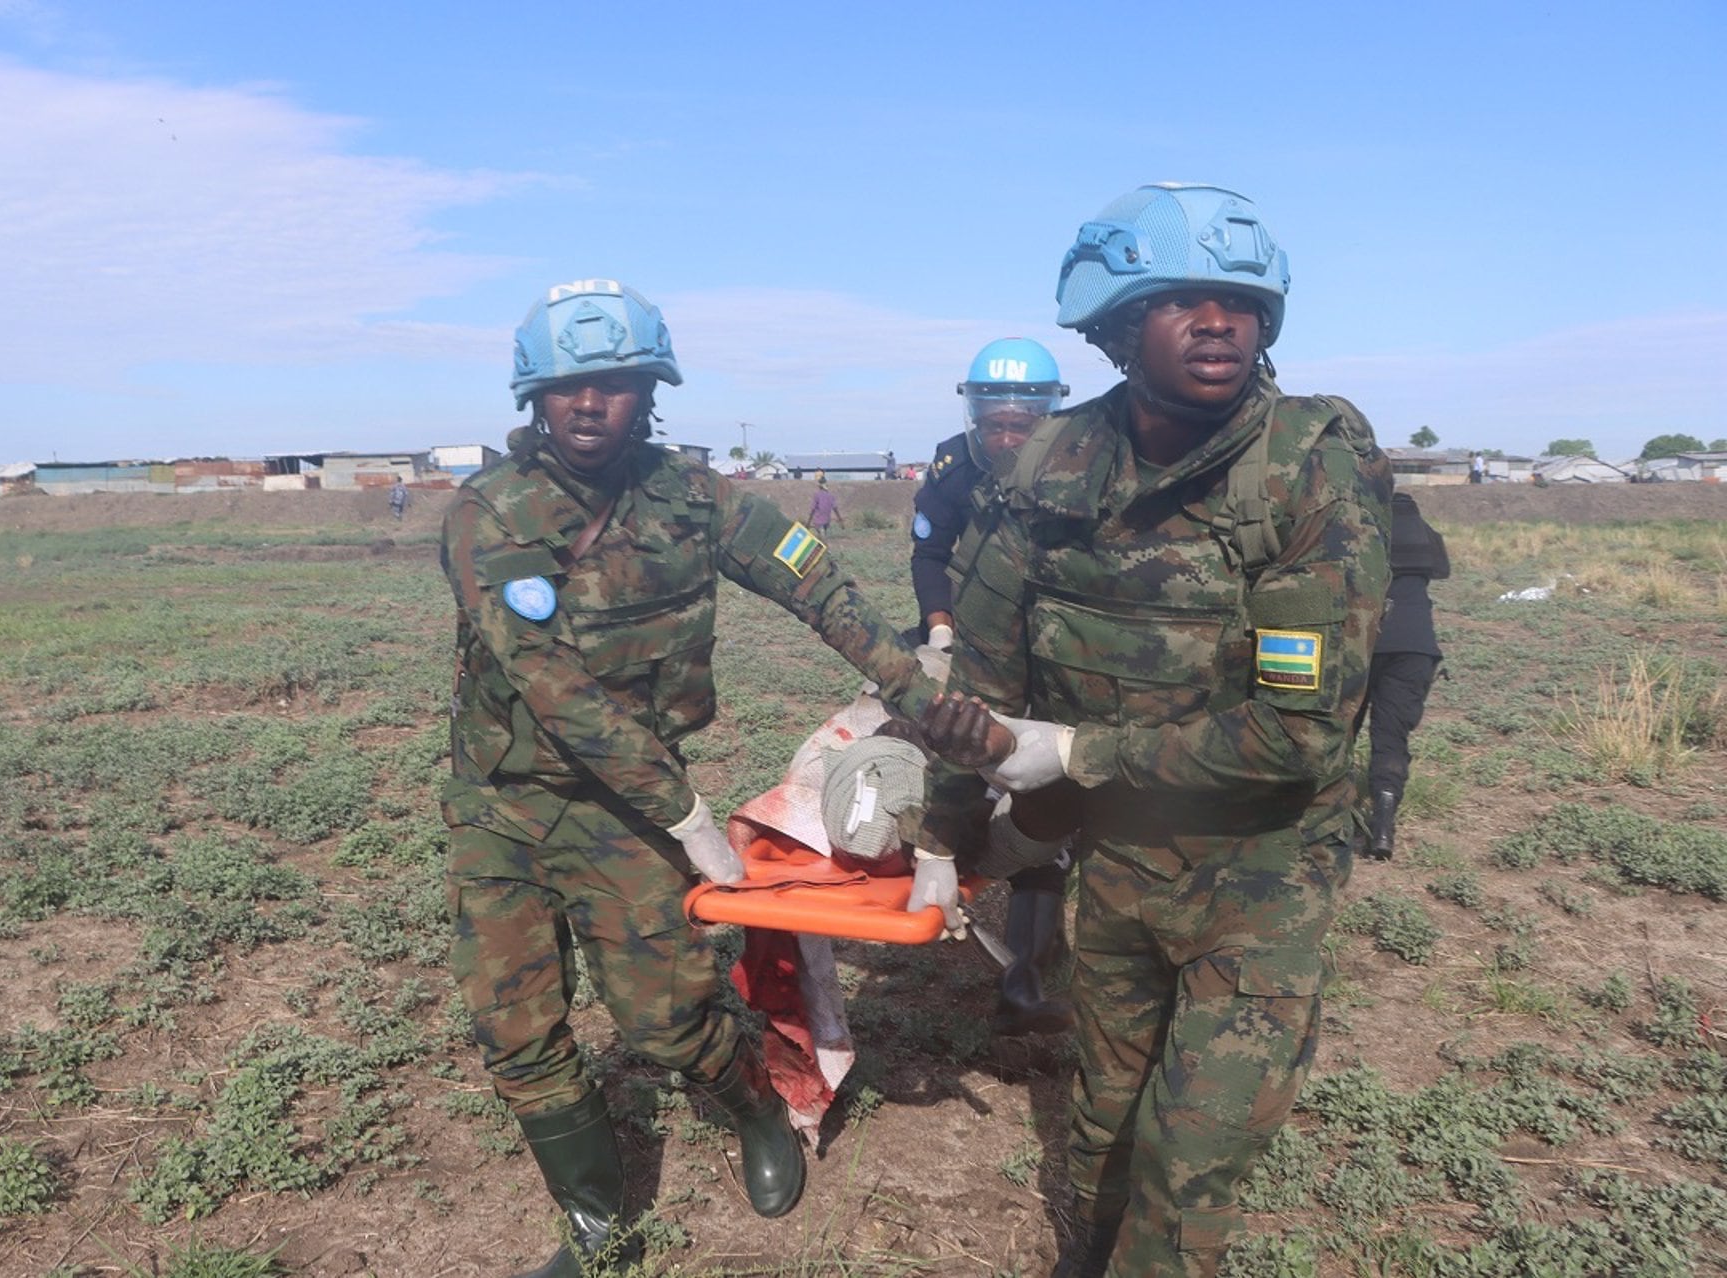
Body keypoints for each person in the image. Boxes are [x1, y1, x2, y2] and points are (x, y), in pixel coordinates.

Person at [914, 184, 1392, 1278]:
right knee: (1103, 1118)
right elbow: (981, 681)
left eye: (1236, 301)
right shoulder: (1053, 465)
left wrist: (1078, 754)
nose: (1216, 321)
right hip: (1120, 862)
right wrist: (949, 840)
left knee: (1190, 1156)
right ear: (1120, 327)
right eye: (1179, 301)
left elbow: (1298, 737)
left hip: (1261, 872)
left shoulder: (1304, 467)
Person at [440, 279, 933, 1278]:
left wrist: (909, 683)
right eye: (571, 385)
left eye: (616, 384)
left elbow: (809, 574)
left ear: (650, 392)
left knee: (667, 1018)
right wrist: (691, 812)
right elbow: (551, 684)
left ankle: (755, 1108)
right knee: (514, 1026)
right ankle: (594, 1223)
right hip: (505, 803)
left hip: (627, 809)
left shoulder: (696, 500)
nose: (591, 405)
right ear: (535, 395)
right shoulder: (489, 514)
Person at [912, 337, 1074, 1036]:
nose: (1006, 434)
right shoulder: (952, 467)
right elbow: (928, 553)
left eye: (1022, 422)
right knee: (959, 766)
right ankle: (944, 865)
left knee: (1047, 798)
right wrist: (939, 627)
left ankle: (1028, 976)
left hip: (1050, 641)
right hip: (969, 637)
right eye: (995, 420)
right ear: (974, 412)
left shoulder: (1079, 464)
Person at [1361, 491, 1449, 858]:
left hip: (1362, 641)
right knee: (1391, 737)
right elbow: (1442, 572)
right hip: (1415, 647)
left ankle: (1327, 820)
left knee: (1336, 731)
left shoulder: (1363, 532)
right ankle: (1382, 826)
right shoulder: (1427, 537)